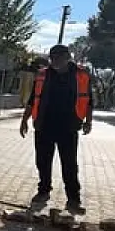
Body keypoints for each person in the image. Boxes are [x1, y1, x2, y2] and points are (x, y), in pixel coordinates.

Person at [19, 44, 93, 213]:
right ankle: (43, 191)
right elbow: (32, 99)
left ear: (68, 57)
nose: (55, 61)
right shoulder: (43, 75)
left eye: (59, 57)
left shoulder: (80, 75)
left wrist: (88, 121)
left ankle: (73, 199)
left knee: (69, 164)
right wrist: (24, 120)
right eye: (52, 58)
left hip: (68, 127)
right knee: (43, 162)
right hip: (44, 125)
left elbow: (88, 100)